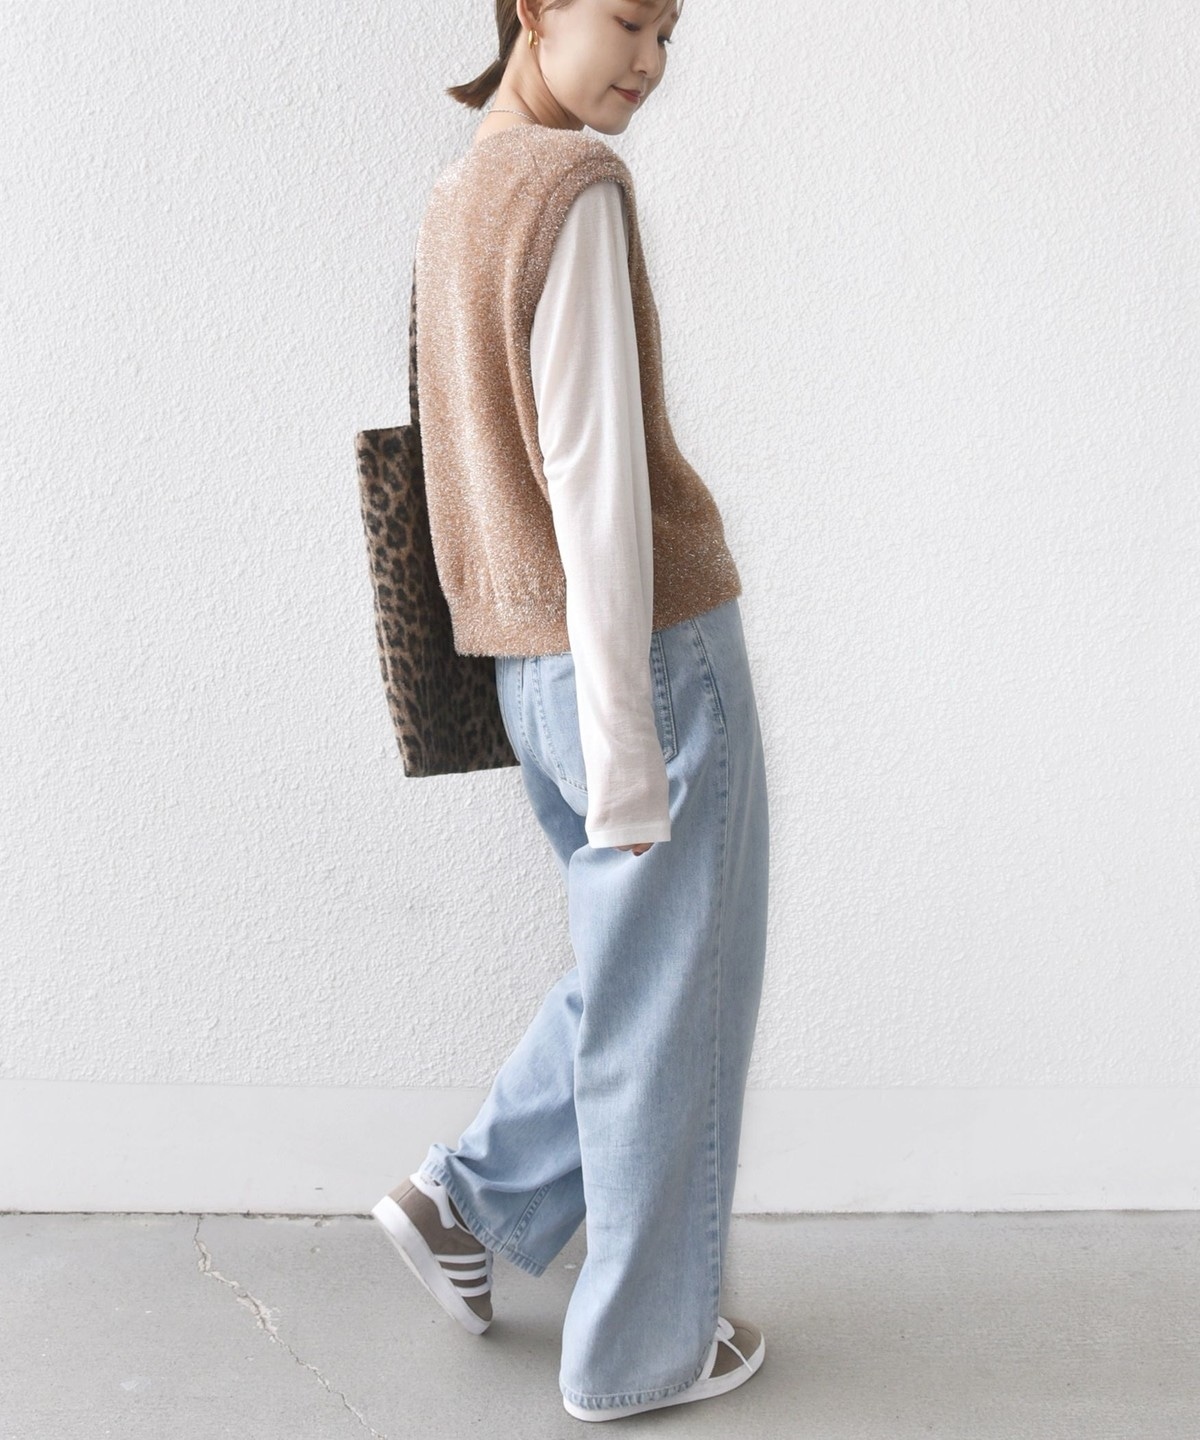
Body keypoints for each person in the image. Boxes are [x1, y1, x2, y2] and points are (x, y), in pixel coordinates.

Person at [370, 0, 770, 1422]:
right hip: (637, 662)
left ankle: (465, 1202)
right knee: (675, 999)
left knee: (635, 971)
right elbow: (596, 490)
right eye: (628, 19)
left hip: (528, 665)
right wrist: (631, 748)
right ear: (532, 5)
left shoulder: (462, 187)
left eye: (670, 33)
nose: (649, 61)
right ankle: (643, 1351)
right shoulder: (575, 188)